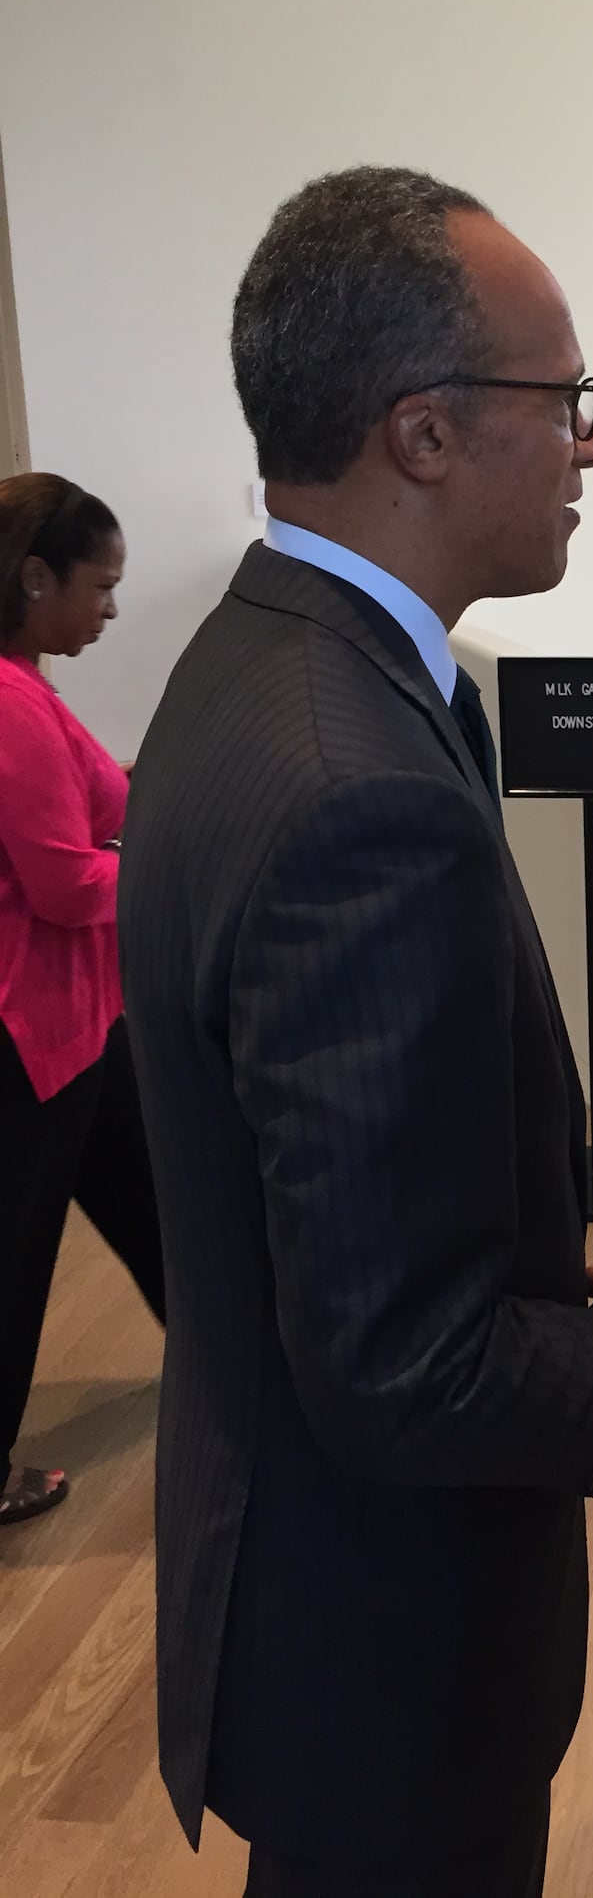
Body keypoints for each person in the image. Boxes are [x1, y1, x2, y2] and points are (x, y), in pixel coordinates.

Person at [117, 166, 593, 1898]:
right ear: (426, 434)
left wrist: (573, 1210)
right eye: (568, 403)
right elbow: (403, 1360)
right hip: (381, 1634)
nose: (590, 445)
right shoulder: (349, 780)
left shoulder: (278, 663)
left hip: (314, 1595)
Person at [0, 472, 165, 1526]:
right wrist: (172, 866)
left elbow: (105, 797)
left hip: (83, 1024)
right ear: (33, 577)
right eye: (99, 587)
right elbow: (65, 882)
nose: (110, 607)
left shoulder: (29, 682)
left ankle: (243, 1364)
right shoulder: (9, 703)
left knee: (161, 1198)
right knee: (15, 1260)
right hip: (27, 1033)